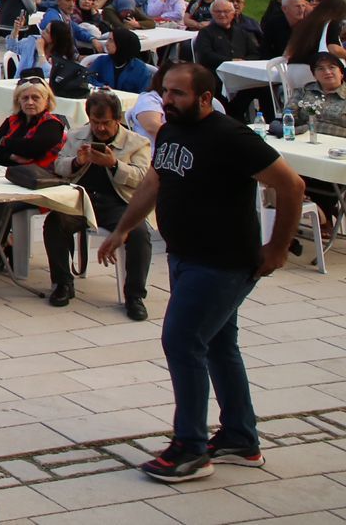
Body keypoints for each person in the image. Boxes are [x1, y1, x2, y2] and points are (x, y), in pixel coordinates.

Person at [99, 63, 307, 481]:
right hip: (184, 255)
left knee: (182, 342)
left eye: (178, 94)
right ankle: (239, 438)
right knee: (218, 346)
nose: (168, 101)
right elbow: (155, 182)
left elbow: (292, 185)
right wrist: (123, 228)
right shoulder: (172, 130)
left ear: (206, 98)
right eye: (165, 92)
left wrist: (279, 248)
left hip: (223, 262)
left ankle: (191, 448)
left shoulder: (230, 136)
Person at [44, 91, 151, 319]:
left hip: (118, 203)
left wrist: (114, 164)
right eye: (95, 122)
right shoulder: (77, 135)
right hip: (82, 200)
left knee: (139, 233)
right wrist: (77, 162)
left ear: (118, 119)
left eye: (106, 123)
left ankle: (135, 295)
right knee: (54, 222)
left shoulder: (137, 142)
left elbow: (143, 178)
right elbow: (58, 166)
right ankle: (62, 283)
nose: (100, 128)